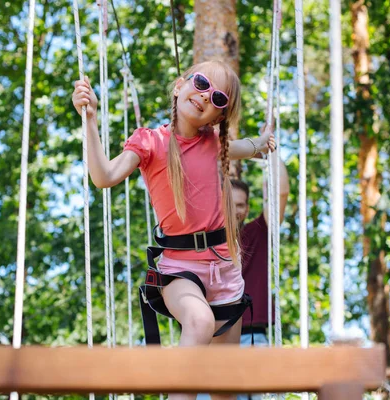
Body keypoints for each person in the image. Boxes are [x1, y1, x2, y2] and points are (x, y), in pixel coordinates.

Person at [72, 60, 275, 400]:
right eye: (201, 83)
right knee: (198, 321)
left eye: (219, 98)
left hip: (226, 272)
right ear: (180, 85)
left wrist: (265, 141)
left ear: (218, 118)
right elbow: (104, 176)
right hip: (180, 268)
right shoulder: (149, 142)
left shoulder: (215, 145)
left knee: (224, 390)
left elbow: (250, 147)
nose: (205, 96)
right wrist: (91, 120)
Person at [232, 156, 290, 347]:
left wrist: (270, 152)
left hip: (252, 336)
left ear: (247, 209)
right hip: (213, 339)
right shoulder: (202, 239)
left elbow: (281, 194)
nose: (234, 211)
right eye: (229, 204)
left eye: (239, 205)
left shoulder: (257, 232)